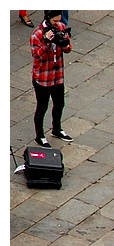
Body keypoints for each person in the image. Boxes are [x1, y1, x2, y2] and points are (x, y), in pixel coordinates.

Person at [30, 10, 73, 148]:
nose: (57, 23)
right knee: (42, 107)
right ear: (48, 18)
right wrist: (47, 43)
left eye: (59, 20)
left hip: (57, 76)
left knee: (59, 104)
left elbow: (68, 48)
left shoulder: (60, 27)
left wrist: (65, 44)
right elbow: (37, 56)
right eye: (55, 21)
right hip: (43, 78)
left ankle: (56, 129)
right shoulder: (37, 35)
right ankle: (40, 136)